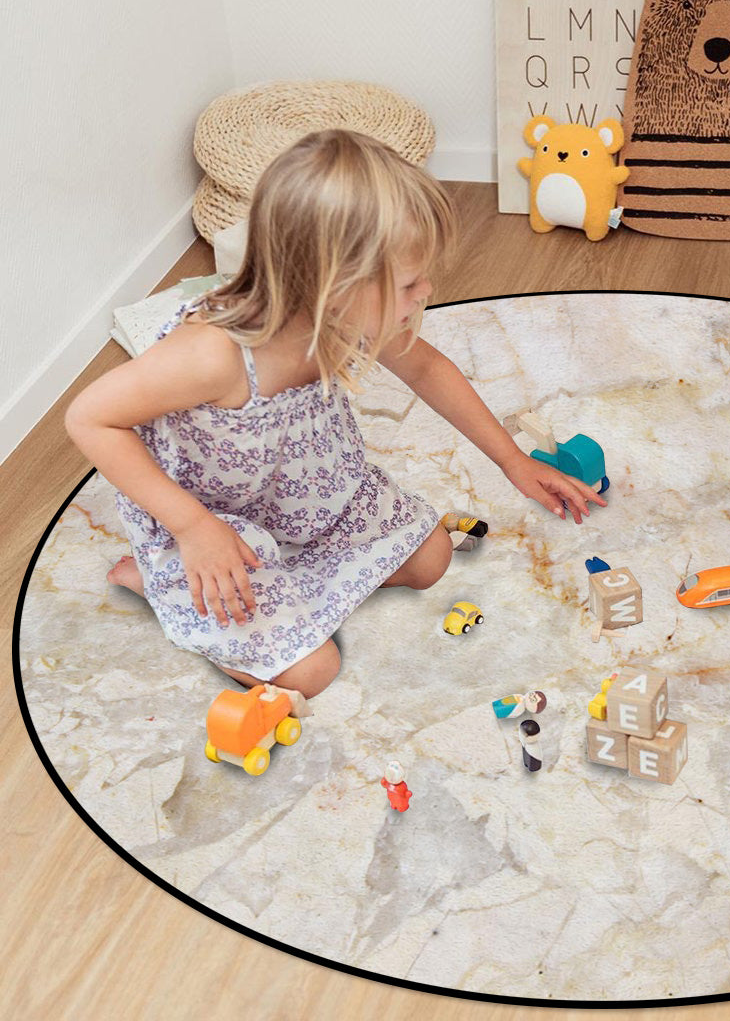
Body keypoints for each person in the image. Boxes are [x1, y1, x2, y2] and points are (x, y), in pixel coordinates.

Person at [66, 129, 604, 695]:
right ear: (332, 285)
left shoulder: (345, 317)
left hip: (306, 494)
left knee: (431, 558)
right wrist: (192, 527)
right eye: (409, 283)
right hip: (211, 519)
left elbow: (426, 369)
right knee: (311, 672)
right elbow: (89, 418)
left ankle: (270, 586)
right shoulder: (211, 355)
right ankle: (163, 583)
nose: (426, 290)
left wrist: (512, 460)